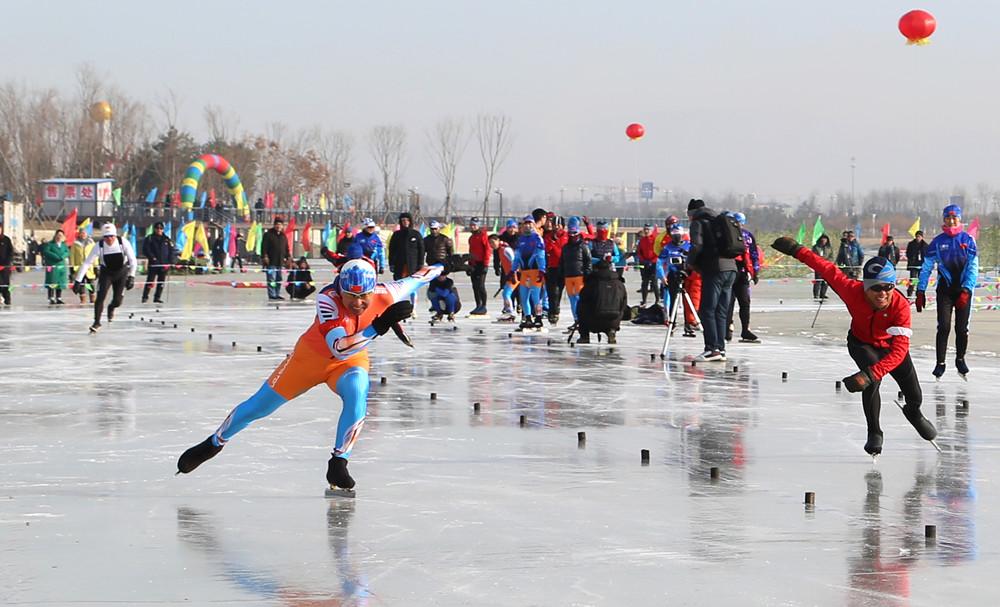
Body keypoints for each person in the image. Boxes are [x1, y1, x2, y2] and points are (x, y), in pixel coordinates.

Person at [176, 260, 442, 492]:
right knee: (257, 408)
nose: (358, 303)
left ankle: (339, 462)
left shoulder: (387, 292)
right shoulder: (328, 299)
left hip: (350, 362)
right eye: (351, 296)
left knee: (358, 391)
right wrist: (379, 325)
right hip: (309, 360)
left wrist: (448, 265)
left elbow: (421, 276)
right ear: (341, 289)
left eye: (365, 297)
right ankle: (213, 443)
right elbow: (338, 348)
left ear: (374, 291)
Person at [772, 236, 937, 456]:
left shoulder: (900, 307)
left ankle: (914, 412)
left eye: (888, 287)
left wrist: (869, 374)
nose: (883, 294)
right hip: (861, 343)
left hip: (891, 348)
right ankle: (874, 432)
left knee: (914, 393)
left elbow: (898, 352)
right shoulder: (851, 290)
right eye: (876, 288)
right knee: (871, 382)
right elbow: (825, 267)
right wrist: (796, 250)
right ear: (865, 286)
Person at [915, 204, 979, 380]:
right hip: (945, 291)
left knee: (962, 328)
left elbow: (974, 268)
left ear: (960, 219)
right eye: (948, 218)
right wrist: (921, 290)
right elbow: (927, 267)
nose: (951, 221)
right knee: (943, 327)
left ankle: (960, 359)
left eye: (954, 218)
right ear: (943, 220)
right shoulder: (937, 241)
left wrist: (967, 289)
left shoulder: (968, 240)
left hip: (964, 290)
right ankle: (940, 363)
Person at [688, 198, 738, 362]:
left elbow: (696, 246)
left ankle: (712, 348)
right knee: (721, 311)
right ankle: (721, 348)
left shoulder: (698, 222)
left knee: (707, 309)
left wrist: (689, 264)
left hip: (715, 269)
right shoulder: (719, 220)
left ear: (691, 213)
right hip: (731, 268)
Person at [74, 223, 137, 333]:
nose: (109, 239)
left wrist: (131, 276)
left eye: (112, 236)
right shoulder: (100, 245)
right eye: (106, 237)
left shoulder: (123, 242)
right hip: (106, 273)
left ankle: (111, 307)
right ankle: (96, 322)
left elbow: (133, 260)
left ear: (115, 235)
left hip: (121, 273)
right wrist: (78, 281)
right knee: (100, 297)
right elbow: (87, 263)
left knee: (118, 301)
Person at [726, 212, 760, 343]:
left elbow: (754, 254)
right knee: (729, 301)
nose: (738, 225)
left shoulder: (748, 236)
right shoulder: (727, 234)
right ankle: (727, 327)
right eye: (736, 222)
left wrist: (755, 271)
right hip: (729, 270)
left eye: (740, 222)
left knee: (745, 301)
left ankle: (745, 329)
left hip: (743, 271)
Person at [576, 259, 628, 344]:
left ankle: (584, 336)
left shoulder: (592, 282)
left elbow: (583, 298)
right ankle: (611, 331)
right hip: (613, 320)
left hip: (593, 319)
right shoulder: (619, 284)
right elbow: (624, 302)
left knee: (581, 305)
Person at [559, 216, 592, 332]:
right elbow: (562, 262)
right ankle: (576, 320)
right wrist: (561, 273)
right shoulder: (566, 248)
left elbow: (588, 261)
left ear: (578, 233)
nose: (572, 235)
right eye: (570, 233)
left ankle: (582, 320)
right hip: (569, 277)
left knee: (579, 299)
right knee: (572, 300)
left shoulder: (583, 246)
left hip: (579, 276)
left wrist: (587, 274)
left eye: (574, 233)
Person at [513, 216, 546, 331]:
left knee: (536, 297)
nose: (527, 226)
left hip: (535, 271)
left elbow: (541, 255)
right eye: (525, 224)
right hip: (524, 272)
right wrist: (514, 270)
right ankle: (527, 318)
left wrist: (542, 270)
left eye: (529, 223)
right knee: (523, 296)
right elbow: (516, 256)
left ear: (533, 225)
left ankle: (538, 318)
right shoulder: (520, 239)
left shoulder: (537, 238)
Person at [656, 225, 690, 327]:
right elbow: (659, 262)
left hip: (687, 275)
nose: (677, 237)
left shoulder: (689, 246)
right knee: (673, 299)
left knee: (688, 300)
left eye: (678, 235)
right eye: (674, 235)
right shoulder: (667, 248)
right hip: (673, 275)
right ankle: (672, 321)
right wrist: (662, 276)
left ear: (682, 234)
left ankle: (689, 323)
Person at [542, 213, 568, 324]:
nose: (556, 227)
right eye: (554, 225)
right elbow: (546, 249)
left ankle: (555, 310)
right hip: (551, 267)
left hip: (564, 267)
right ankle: (552, 312)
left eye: (559, 225)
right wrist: (552, 241)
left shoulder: (567, 236)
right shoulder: (548, 237)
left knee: (559, 291)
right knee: (551, 291)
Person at [488, 233, 519, 321]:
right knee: (505, 293)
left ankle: (511, 312)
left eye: (492, 242)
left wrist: (513, 273)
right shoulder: (500, 250)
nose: (491, 245)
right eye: (490, 243)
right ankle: (508, 311)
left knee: (506, 293)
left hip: (515, 275)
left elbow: (514, 260)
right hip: (509, 275)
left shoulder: (506, 249)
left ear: (498, 241)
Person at [142, 221, 173, 303]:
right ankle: (145, 297)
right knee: (150, 281)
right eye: (157, 228)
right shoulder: (149, 238)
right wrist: (152, 258)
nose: (159, 230)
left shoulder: (167, 239)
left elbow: (171, 251)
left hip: (164, 265)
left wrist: (170, 262)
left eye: (161, 228)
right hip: (154, 264)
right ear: (154, 229)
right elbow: (146, 250)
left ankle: (157, 297)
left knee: (161, 282)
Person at [465, 217, 490, 316]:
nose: (473, 227)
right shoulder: (471, 238)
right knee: (475, 286)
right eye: (471, 225)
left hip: (482, 264)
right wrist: (469, 265)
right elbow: (471, 252)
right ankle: (478, 305)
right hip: (474, 264)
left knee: (480, 285)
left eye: (474, 225)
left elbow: (487, 250)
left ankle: (484, 306)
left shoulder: (483, 236)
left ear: (478, 225)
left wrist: (486, 264)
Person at [261, 217, 290, 300]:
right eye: (277, 224)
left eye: (280, 225)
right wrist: (264, 256)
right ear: (274, 225)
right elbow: (264, 247)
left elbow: (286, 248)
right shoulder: (268, 234)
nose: (278, 226)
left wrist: (288, 257)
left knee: (279, 279)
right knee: (271, 279)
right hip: (271, 261)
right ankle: (272, 295)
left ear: (282, 226)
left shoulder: (283, 235)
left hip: (280, 261)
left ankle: (277, 294)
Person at [633, 224, 659, 307]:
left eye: (648, 229)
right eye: (645, 229)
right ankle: (644, 300)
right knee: (644, 282)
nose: (646, 231)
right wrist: (643, 260)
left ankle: (657, 300)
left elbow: (658, 252)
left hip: (654, 263)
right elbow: (639, 251)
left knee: (654, 282)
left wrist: (653, 261)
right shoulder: (642, 240)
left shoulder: (655, 239)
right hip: (644, 262)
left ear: (651, 230)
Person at [41, 230, 70, 305]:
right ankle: (51, 297)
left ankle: (59, 298)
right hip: (52, 265)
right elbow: (46, 252)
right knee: (52, 281)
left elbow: (67, 252)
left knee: (60, 282)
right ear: (55, 235)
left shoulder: (64, 245)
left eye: (61, 235)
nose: (59, 237)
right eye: (58, 235)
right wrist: (56, 257)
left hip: (61, 265)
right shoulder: (50, 244)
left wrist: (62, 256)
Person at [70, 228, 96, 304]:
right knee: (81, 284)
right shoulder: (75, 243)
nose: (83, 234)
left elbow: (95, 256)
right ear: (79, 234)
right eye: (81, 233)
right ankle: (83, 299)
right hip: (79, 267)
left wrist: (96, 266)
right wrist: (72, 266)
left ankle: (92, 297)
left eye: (84, 233)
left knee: (90, 283)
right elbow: (72, 256)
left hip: (89, 267)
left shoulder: (91, 243)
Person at [811, 234, 834, 300]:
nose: (824, 240)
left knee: (825, 281)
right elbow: (813, 256)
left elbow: (831, 257)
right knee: (818, 281)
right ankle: (816, 294)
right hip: (818, 266)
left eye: (825, 239)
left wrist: (827, 262)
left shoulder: (829, 248)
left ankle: (823, 294)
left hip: (826, 266)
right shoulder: (816, 247)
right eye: (823, 239)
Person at [905, 231, 926, 298]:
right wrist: (912, 258)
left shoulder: (925, 245)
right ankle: (910, 293)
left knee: (920, 280)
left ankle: (919, 294)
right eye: (917, 236)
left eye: (919, 237)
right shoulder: (911, 244)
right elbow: (908, 253)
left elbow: (927, 255)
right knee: (913, 280)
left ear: (922, 237)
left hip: (921, 265)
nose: (918, 238)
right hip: (913, 265)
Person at [0, 223, 15, 305]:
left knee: (5, 283)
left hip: (5, 266)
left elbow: (10, 252)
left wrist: (7, 262)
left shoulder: (6, 240)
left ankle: (7, 299)